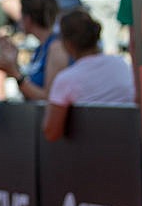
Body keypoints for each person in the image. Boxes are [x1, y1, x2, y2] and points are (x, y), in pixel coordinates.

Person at [43, 9, 135, 141]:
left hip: (90, 155)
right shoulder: (122, 64)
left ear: (67, 43)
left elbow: (51, 132)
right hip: (128, 147)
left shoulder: (66, 79)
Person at [0, 0, 70, 100]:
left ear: (27, 19)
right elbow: (30, 93)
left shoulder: (56, 47)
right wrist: (14, 64)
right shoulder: (41, 48)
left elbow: (48, 98)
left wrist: (14, 72)